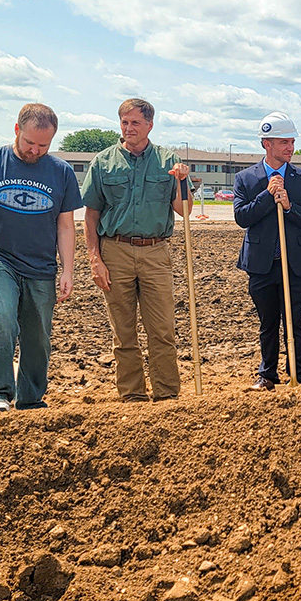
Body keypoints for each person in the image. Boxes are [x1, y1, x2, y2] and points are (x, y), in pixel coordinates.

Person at [0, 103, 82, 412]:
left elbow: (65, 225)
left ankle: (31, 399)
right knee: (2, 317)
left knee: (37, 336)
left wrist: (68, 271)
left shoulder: (60, 172)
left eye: (43, 145)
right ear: (16, 130)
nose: (35, 150)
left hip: (41, 265)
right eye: (29, 143)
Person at [82, 98, 191, 402]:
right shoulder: (103, 163)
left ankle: (167, 394)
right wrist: (95, 260)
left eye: (135, 123)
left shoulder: (169, 162)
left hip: (156, 252)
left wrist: (183, 182)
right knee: (123, 330)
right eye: (124, 122)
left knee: (162, 329)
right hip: (114, 251)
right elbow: (90, 216)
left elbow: (184, 211)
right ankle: (132, 394)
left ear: (149, 126)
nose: (129, 128)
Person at [233, 112, 301, 391]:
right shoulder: (246, 179)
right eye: (284, 142)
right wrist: (266, 196)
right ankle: (267, 375)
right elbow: (241, 217)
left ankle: (298, 373)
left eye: (292, 142)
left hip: (295, 263)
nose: (290, 148)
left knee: (295, 320)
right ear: (266, 144)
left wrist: (289, 207)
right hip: (261, 264)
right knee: (268, 322)